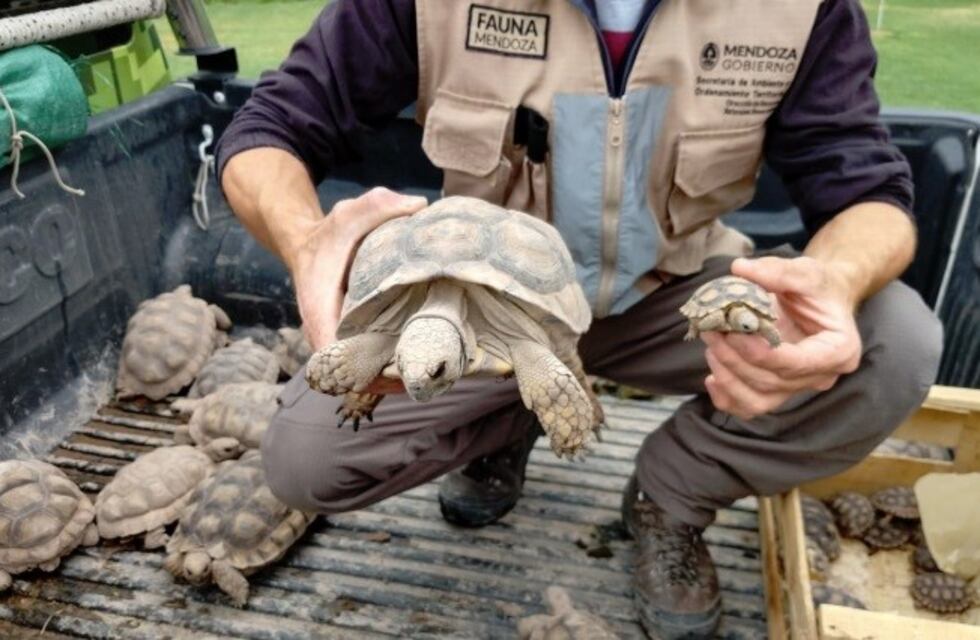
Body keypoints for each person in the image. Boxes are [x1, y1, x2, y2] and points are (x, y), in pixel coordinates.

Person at [217, 1, 943, 637]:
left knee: (895, 342)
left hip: (673, 296)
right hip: (485, 303)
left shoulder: (800, 10)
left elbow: (868, 188)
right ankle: (511, 417)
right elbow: (272, 125)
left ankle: (674, 491)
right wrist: (306, 240)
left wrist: (836, 278)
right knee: (306, 457)